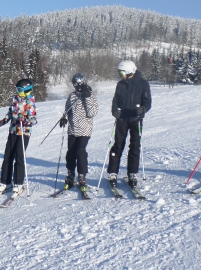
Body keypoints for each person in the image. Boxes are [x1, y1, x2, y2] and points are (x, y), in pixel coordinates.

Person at [108, 60, 152, 188]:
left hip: (135, 119)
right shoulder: (120, 84)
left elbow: (147, 101)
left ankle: (132, 173)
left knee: (135, 146)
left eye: (122, 73)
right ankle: (112, 173)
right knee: (117, 146)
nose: (121, 76)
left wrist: (142, 109)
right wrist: (114, 111)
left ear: (129, 72)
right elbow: (115, 100)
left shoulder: (143, 84)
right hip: (122, 119)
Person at [0, 78, 37, 194]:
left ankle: (18, 183)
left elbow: (33, 120)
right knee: (8, 156)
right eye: (17, 89)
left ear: (26, 90)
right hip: (13, 131)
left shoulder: (30, 102)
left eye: (20, 90)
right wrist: (5, 120)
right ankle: (5, 182)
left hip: (24, 132)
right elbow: (10, 112)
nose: (18, 92)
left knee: (19, 157)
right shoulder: (15, 99)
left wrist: (24, 120)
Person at [59, 73, 99, 191]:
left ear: (85, 83)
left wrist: (87, 97)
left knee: (80, 151)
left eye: (80, 85)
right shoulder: (72, 96)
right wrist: (64, 118)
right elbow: (67, 110)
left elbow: (92, 113)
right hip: (72, 129)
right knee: (71, 152)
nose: (79, 88)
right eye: (76, 86)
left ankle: (82, 175)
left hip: (85, 129)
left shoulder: (90, 96)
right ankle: (71, 173)